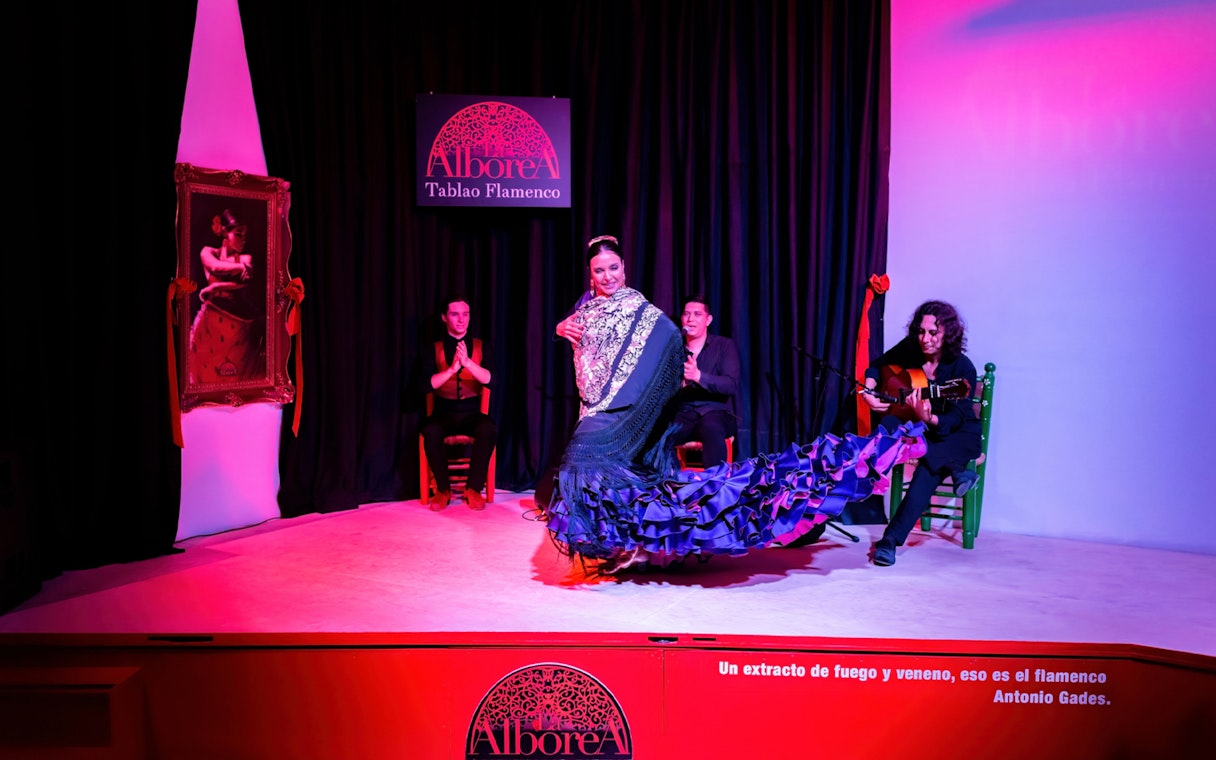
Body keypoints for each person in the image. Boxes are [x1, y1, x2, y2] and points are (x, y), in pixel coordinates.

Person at [544, 235, 927, 575]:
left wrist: (686, 377)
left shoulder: (648, 315)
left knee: (674, 462)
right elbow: (585, 343)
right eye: (600, 270)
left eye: (614, 267)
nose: (608, 276)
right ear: (590, 274)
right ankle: (631, 544)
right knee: (610, 481)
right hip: (617, 411)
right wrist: (562, 328)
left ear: (624, 268)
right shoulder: (586, 308)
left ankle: (712, 514)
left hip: (685, 413)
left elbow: (723, 383)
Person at [860, 300, 982, 567]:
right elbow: (877, 364)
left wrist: (931, 416)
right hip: (924, 429)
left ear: (948, 333)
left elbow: (957, 417)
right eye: (921, 331)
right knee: (894, 426)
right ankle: (958, 471)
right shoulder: (912, 350)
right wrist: (868, 392)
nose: (924, 339)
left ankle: (889, 541)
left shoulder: (963, 369)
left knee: (928, 466)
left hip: (957, 432)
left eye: (933, 333)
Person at [416, 294, 497, 512]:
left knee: (488, 429)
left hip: (471, 413)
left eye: (465, 314)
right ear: (444, 318)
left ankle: (473, 489)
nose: (461, 320)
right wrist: (451, 370)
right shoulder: (432, 348)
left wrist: (468, 363)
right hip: (443, 413)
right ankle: (443, 490)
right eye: (454, 314)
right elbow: (424, 386)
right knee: (430, 431)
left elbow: (492, 380)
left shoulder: (482, 346)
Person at [188, 208, 265, 384]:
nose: (243, 240)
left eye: (245, 235)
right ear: (224, 232)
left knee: (238, 371)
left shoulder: (246, 257)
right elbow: (215, 267)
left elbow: (242, 285)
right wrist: (240, 269)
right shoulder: (208, 252)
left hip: (239, 323)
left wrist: (213, 289)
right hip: (212, 319)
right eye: (238, 234)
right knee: (206, 370)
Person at [668, 295, 741, 468]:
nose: (690, 319)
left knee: (711, 426)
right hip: (684, 414)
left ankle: (714, 486)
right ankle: (672, 484)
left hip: (716, 412)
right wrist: (681, 385)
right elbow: (662, 390)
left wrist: (699, 376)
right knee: (659, 435)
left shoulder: (724, 346)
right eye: (686, 314)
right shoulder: (674, 349)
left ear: (708, 320)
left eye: (697, 314)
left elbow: (730, 384)